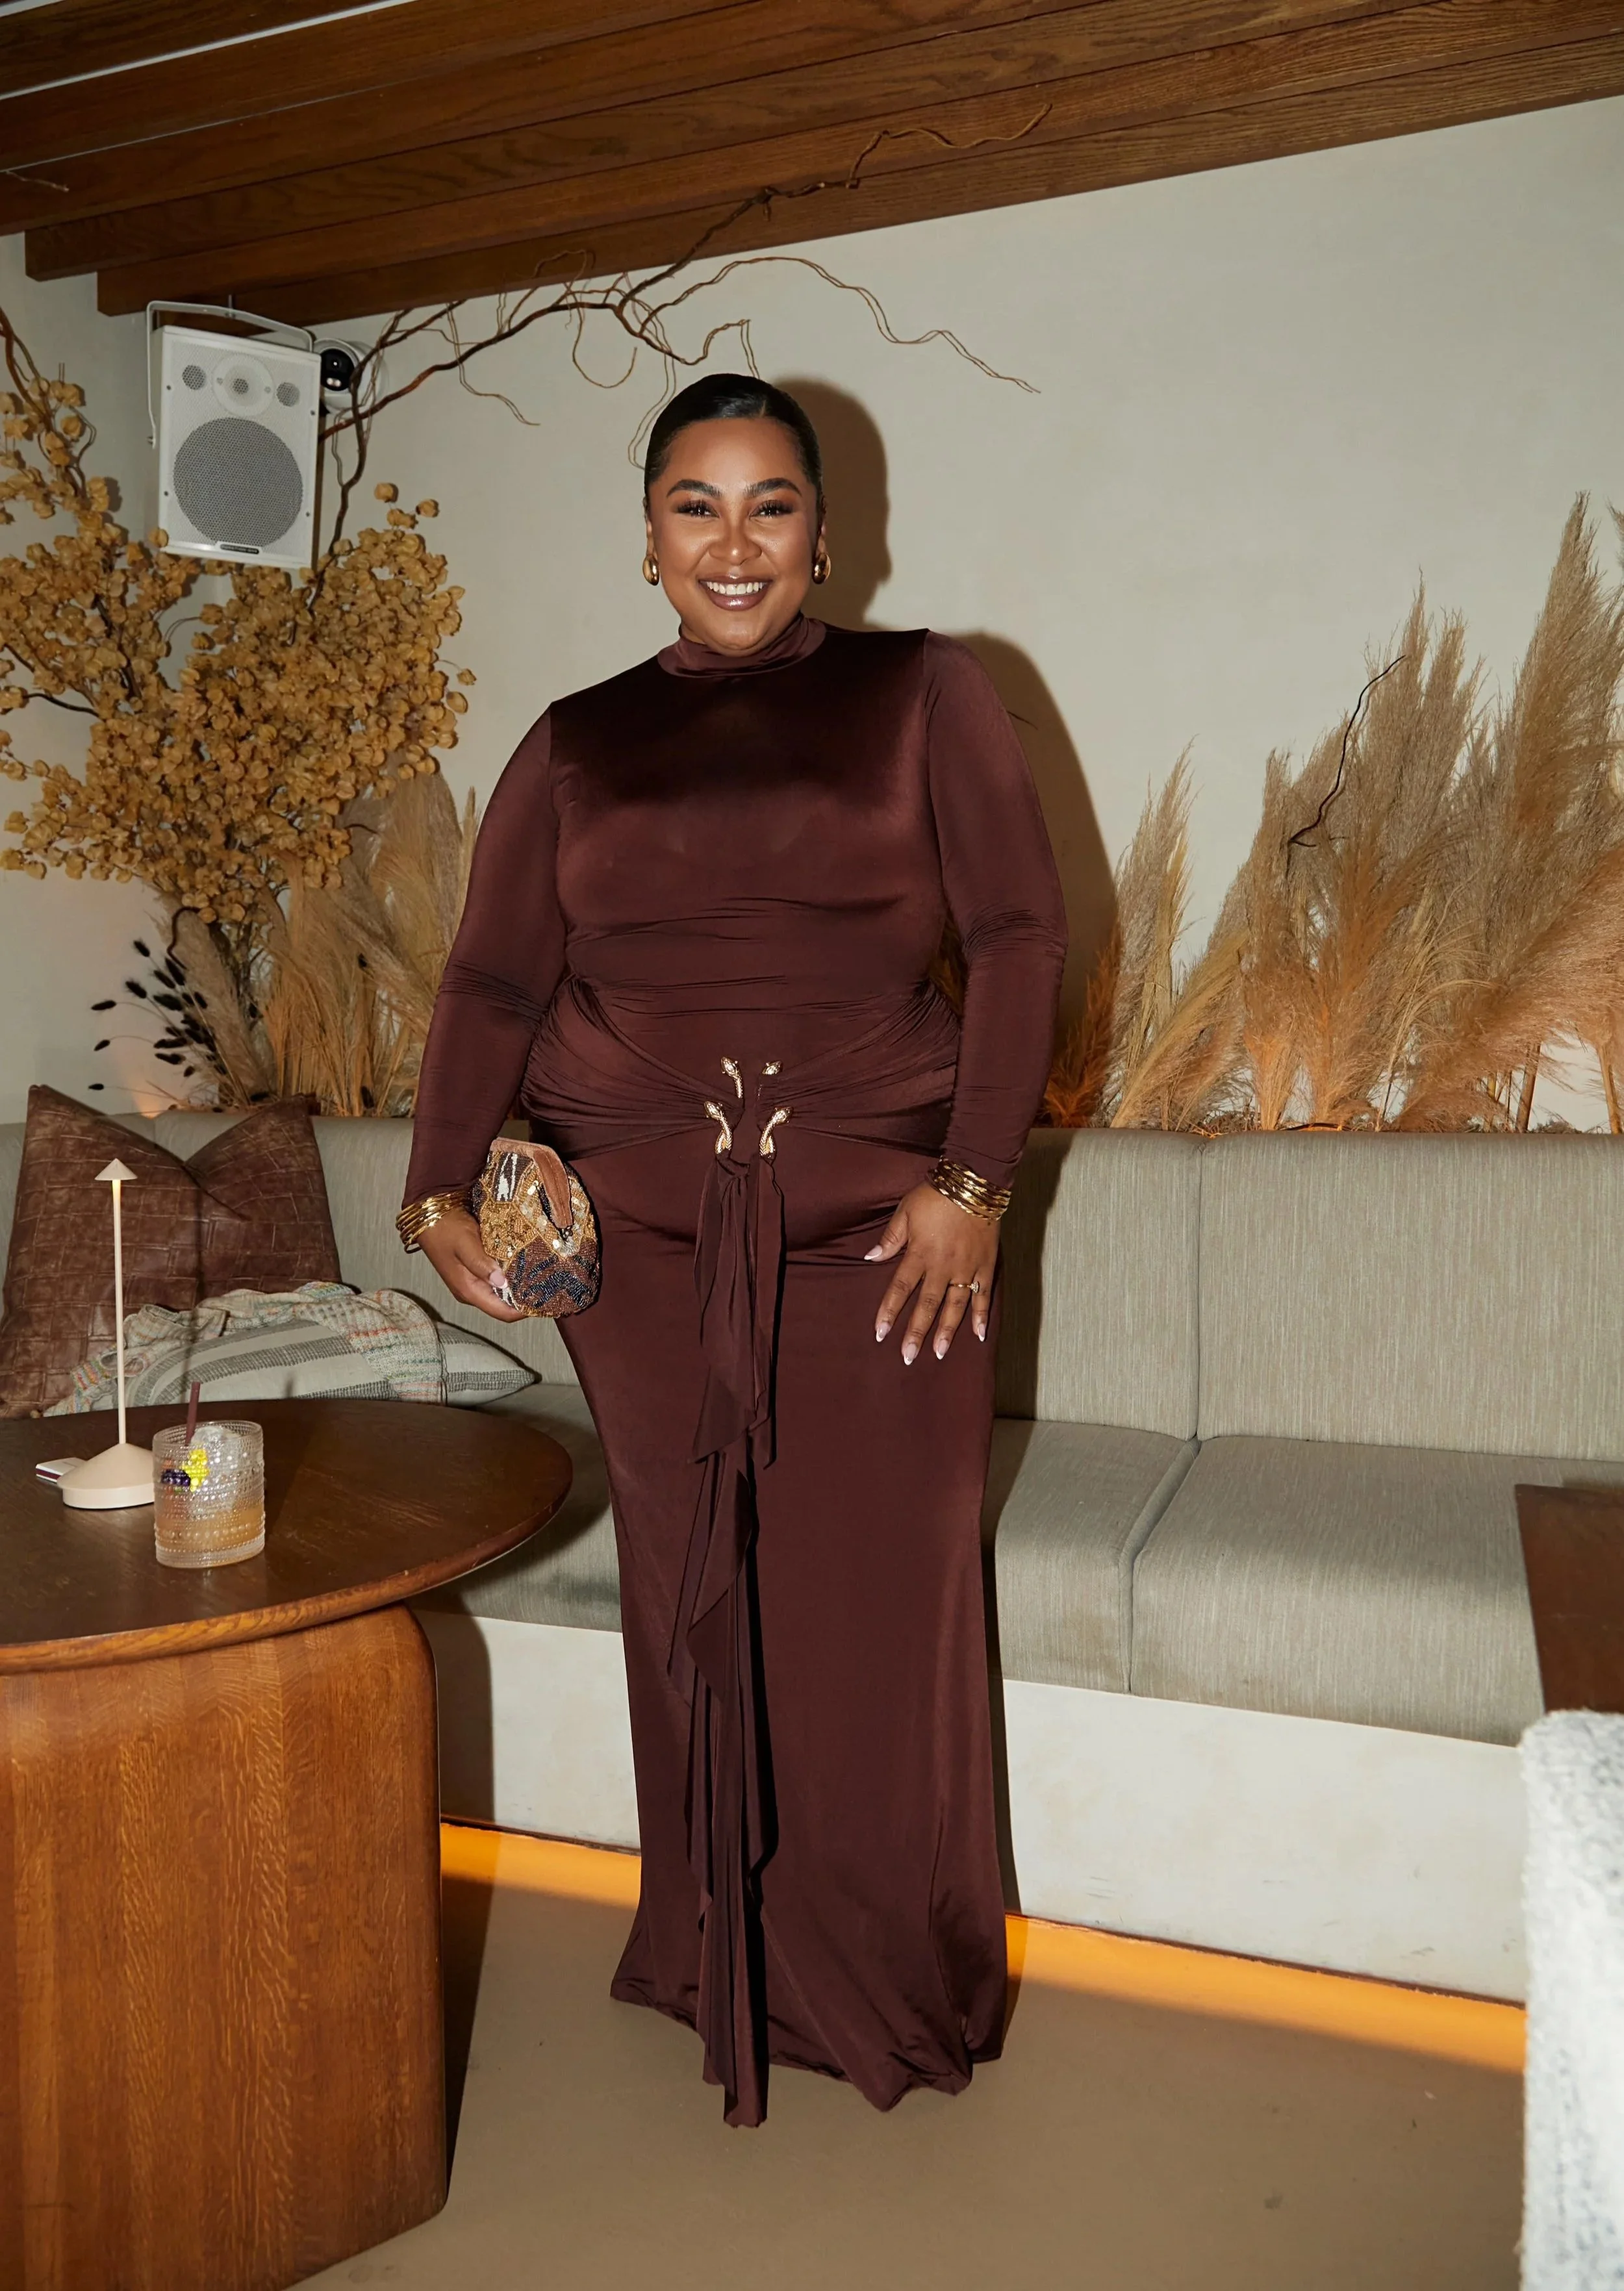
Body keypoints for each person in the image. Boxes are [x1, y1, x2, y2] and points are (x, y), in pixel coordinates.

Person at [398, 375, 1067, 2127]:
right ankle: (714, 1952)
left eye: (771, 504)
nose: (734, 541)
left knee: (877, 1606)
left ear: (827, 532)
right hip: (642, 1244)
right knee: (689, 1609)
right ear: (644, 538)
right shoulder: (571, 743)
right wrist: (435, 1189)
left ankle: (893, 1972)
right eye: (694, 505)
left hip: (889, 1236)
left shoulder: (929, 696)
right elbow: (488, 983)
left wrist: (976, 1183)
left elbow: (1015, 933)